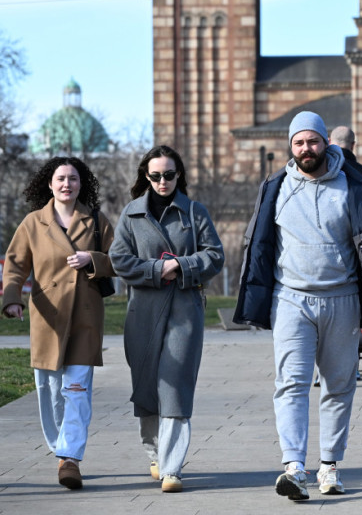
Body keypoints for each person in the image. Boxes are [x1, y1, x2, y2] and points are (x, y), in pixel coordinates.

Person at [233, 111, 362, 501]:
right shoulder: (276, 187)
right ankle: (294, 467)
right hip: (291, 300)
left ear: (325, 143)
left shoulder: (354, 187)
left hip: (342, 299)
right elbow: (258, 245)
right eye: (298, 142)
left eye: (312, 141)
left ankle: (329, 466)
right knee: (291, 384)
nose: (306, 149)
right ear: (290, 146)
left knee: (339, 385)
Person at [109, 145, 225, 494]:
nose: (163, 181)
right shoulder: (131, 215)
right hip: (142, 312)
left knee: (175, 386)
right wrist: (161, 269)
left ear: (179, 176)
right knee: (146, 388)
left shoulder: (194, 212)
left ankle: (172, 468)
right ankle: (156, 455)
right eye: (156, 175)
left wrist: (184, 266)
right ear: (146, 176)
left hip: (184, 310)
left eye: (169, 175)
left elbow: (215, 255)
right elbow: (120, 261)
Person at [1, 156, 115, 490]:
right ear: (49, 184)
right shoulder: (33, 223)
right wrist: (11, 298)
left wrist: (92, 259)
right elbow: (15, 264)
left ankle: (70, 458)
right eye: (61, 178)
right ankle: (60, 449)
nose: (67, 184)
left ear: (83, 184)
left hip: (85, 317)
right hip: (47, 319)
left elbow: (120, 259)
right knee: (49, 391)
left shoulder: (96, 220)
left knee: (77, 391)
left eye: (74, 179)